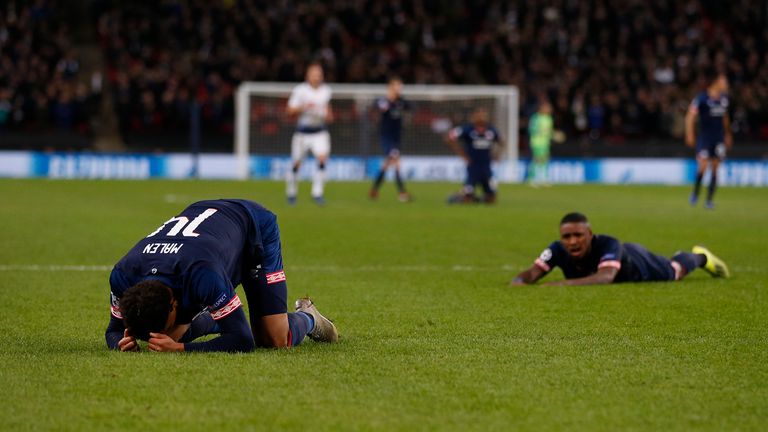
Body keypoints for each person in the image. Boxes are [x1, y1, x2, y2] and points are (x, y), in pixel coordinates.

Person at [105, 199, 338, 353]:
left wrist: (181, 349)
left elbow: (243, 340)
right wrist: (120, 343)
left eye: (163, 324)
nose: (157, 334)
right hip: (211, 236)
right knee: (172, 336)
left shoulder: (201, 274)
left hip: (254, 231)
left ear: (172, 303)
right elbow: (113, 330)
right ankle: (221, 315)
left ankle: (309, 318)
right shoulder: (122, 276)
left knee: (274, 338)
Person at [510, 212, 730, 286]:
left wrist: (561, 284)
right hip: (623, 258)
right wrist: (519, 282)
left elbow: (606, 277)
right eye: (567, 236)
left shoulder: (607, 243)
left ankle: (701, 257)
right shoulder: (557, 249)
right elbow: (533, 272)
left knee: (675, 270)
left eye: (578, 235)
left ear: (590, 234)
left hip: (639, 264)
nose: (572, 241)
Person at [286, 62, 333, 206]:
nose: (317, 77)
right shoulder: (300, 90)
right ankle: (292, 192)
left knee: (322, 160)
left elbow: (329, 113)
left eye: (319, 74)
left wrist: (327, 115)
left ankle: (317, 193)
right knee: (296, 164)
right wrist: (304, 108)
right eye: (314, 74)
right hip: (303, 133)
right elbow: (290, 111)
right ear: (308, 75)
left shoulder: (326, 91)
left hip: (320, 132)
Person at [685, 70, 733, 209]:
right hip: (705, 138)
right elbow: (690, 116)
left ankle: (709, 200)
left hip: (718, 139)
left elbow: (725, 117)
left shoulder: (724, 99)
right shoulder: (702, 98)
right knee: (703, 167)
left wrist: (728, 134)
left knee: (715, 169)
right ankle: (695, 193)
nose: (726, 84)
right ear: (716, 82)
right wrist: (689, 133)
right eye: (724, 81)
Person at [445, 107, 504, 204]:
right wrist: (462, 154)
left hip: (486, 169)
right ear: (474, 117)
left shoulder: (491, 130)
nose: (482, 117)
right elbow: (449, 138)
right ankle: (462, 195)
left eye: (484, 115)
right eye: (479, 115)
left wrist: (497, 155)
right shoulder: (467, 129)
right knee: (467, 199)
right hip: (473, 168)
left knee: (492, 200)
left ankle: (477, 198)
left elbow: (502, 142)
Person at [369, 77, 412, 202]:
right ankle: (402, 193)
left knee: (386, 165)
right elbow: (377, 107)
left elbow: (411, 107)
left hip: (396, 138)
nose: (399, 89)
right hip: (386, 137)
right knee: (397, 162)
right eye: (397, 86)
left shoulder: (402, 102)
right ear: (390, 88)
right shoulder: (384, 101)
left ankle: (374, 189)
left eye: (400, 86)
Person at [527, 101, 554, 186]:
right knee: (537, 159)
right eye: (547, 108)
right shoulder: (535, 118)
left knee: (545, 160)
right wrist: (542, 132)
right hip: (537, 142)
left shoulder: (549, 118)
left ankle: (544, 179)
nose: (549, 109)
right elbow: (531, 130)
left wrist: (551, 135)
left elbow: (549, 131)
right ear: (541, 108)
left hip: (545, 142)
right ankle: (531, 179)